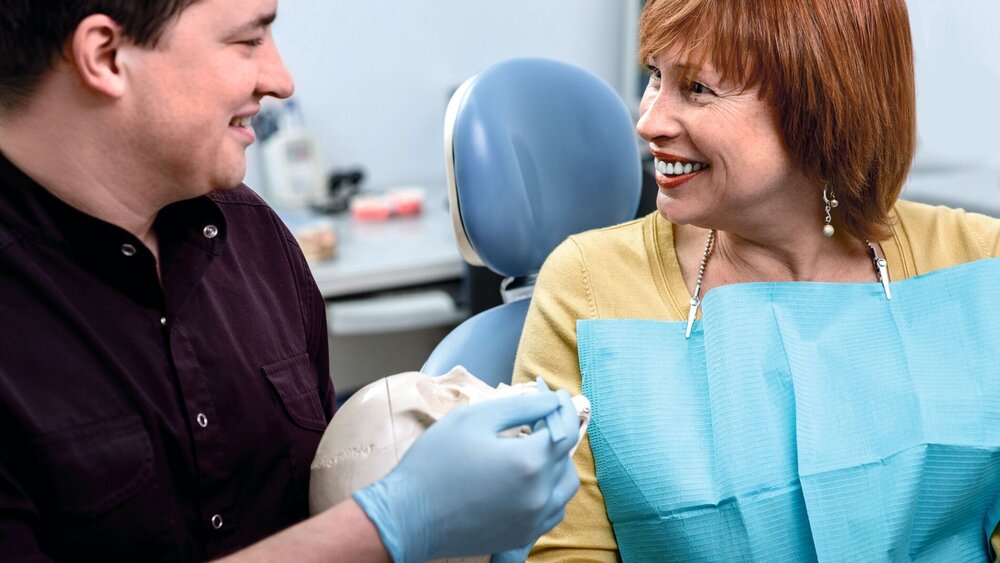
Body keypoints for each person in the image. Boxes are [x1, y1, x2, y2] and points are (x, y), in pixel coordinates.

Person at [0, 0, 580, 561]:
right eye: (248, 40)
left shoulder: (253, 237)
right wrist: (391, 524)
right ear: (105, 56)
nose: (280, 81)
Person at [513, 0, 1000, 560]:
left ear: (822, 106)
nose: (648, 121)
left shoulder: (979, 264)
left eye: (697, 88)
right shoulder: (587, 288)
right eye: (656, 75)